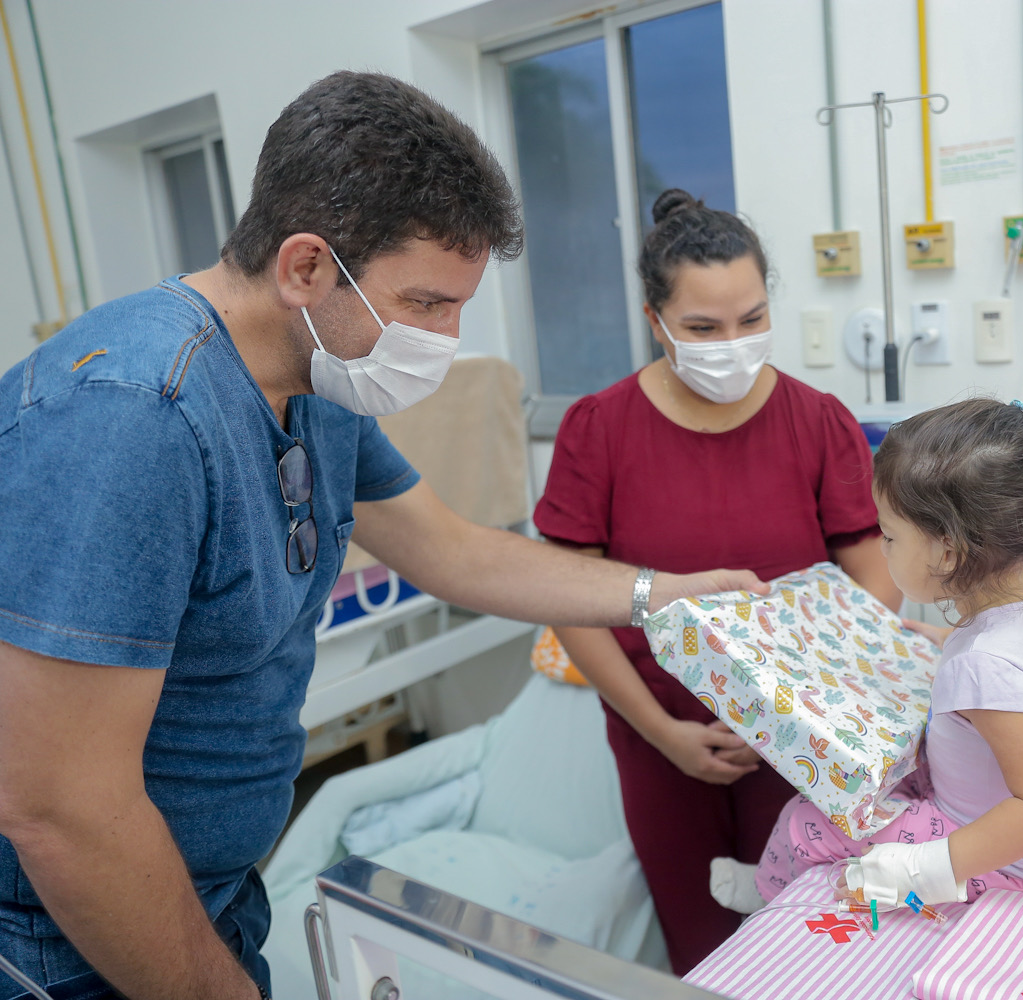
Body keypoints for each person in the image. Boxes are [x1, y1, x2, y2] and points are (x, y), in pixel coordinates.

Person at [0, 75, 762, 1000]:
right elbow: (60, 810)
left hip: (210, 892)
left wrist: (660, 594)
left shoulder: (316, 384)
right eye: (427, 304)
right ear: (306, 268)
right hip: (61, 938)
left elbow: (453, 552)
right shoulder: (134, 416)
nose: (447, 338)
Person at [533, 188, 901, 973]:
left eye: (751, 319)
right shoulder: (599, 429)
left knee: (812, 945)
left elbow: (874, 573)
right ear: (654, 319)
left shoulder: (818, 421)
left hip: (804, 738)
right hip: (661, 735)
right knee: (701, 949)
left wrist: (801, 705)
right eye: (703, 328)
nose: (731, 344)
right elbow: (568, 598)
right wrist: (662, 732)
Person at [711, 397, 1023, 913]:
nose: (882, 546)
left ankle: (761, 895)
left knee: (806, 820)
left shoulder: (986, 668)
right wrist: (946, 642)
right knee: (893, 763)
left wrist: (918, 872)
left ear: (946, 552)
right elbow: (1022, 675)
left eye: (890, 535)